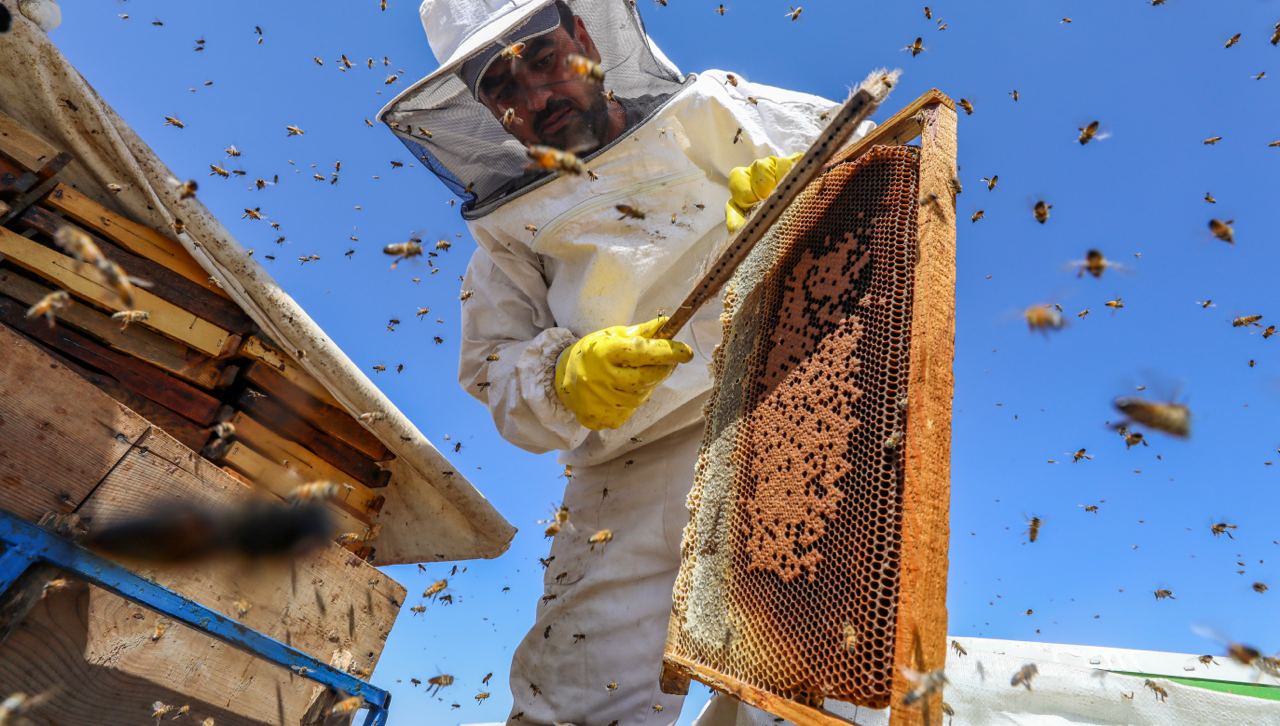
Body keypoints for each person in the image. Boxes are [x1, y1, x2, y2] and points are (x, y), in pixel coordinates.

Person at [379, 1, 873, 723]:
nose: (536, 97)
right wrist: (564, 379)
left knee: (820, 685)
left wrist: (822, 192)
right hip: (629, 472)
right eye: (502, 89)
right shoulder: (503, 245)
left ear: (582, 37)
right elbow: (494, 372)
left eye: (543, 61)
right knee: (578, 699)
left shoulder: (719, 110)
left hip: (797, 410)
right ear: (482, 110)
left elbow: (883, 159)